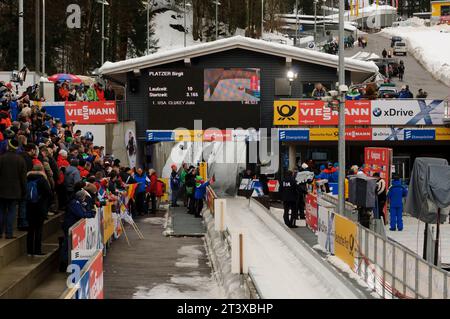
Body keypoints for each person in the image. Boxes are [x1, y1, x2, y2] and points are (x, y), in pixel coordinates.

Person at [0, 139, 27, 239]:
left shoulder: (1, 158)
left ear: (8, 147)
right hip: (15, 191)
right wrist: (24, 191)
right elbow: (23, 178)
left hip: (1, 190)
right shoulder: (20, 160)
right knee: (11, 212)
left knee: (1, 211)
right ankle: (9, 233)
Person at [26, 163, 52, 256]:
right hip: (40, 207)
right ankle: (37, 250)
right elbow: (49, 193)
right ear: (41, 170)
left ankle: (29, 251)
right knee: (38, 229)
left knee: (30, 229)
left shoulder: (28, 178)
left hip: (29, 207)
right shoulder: (42, 180)